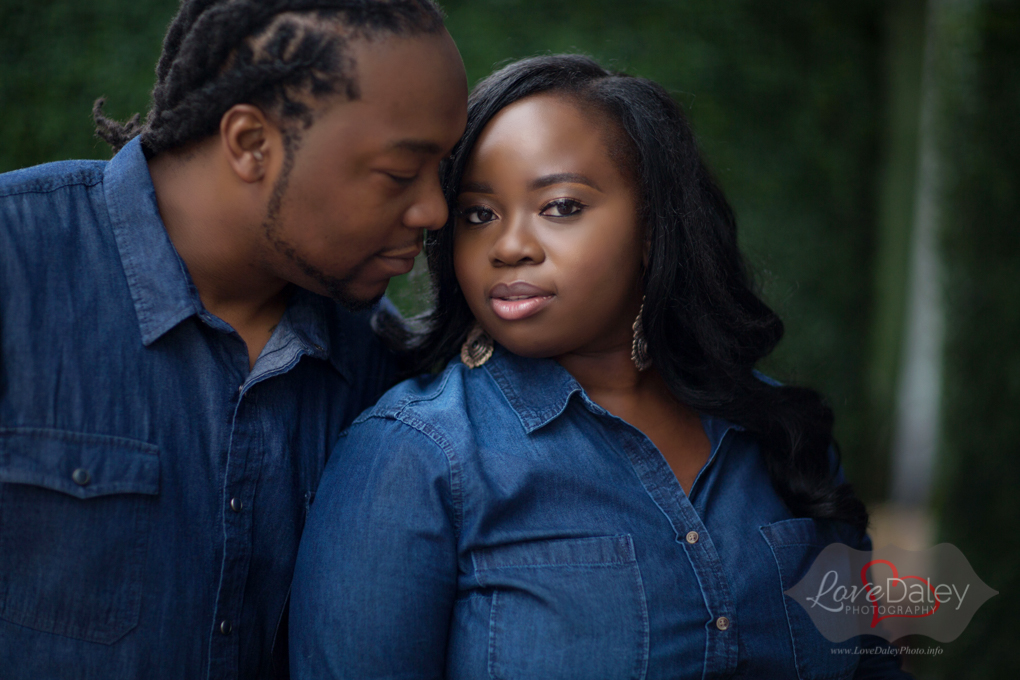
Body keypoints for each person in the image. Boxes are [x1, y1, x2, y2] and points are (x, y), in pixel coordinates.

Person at [290, 55, 911, 678]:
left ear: (652, 229)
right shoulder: (412, 456)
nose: (509, 246)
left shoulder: (778, 432)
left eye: (560, 206)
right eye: (479, 214)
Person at [0, 1, 466, 678]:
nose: (434, 212)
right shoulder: (15, 263)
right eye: (400, 175)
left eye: (443, 174)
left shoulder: (388, 371)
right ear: (251, 144)